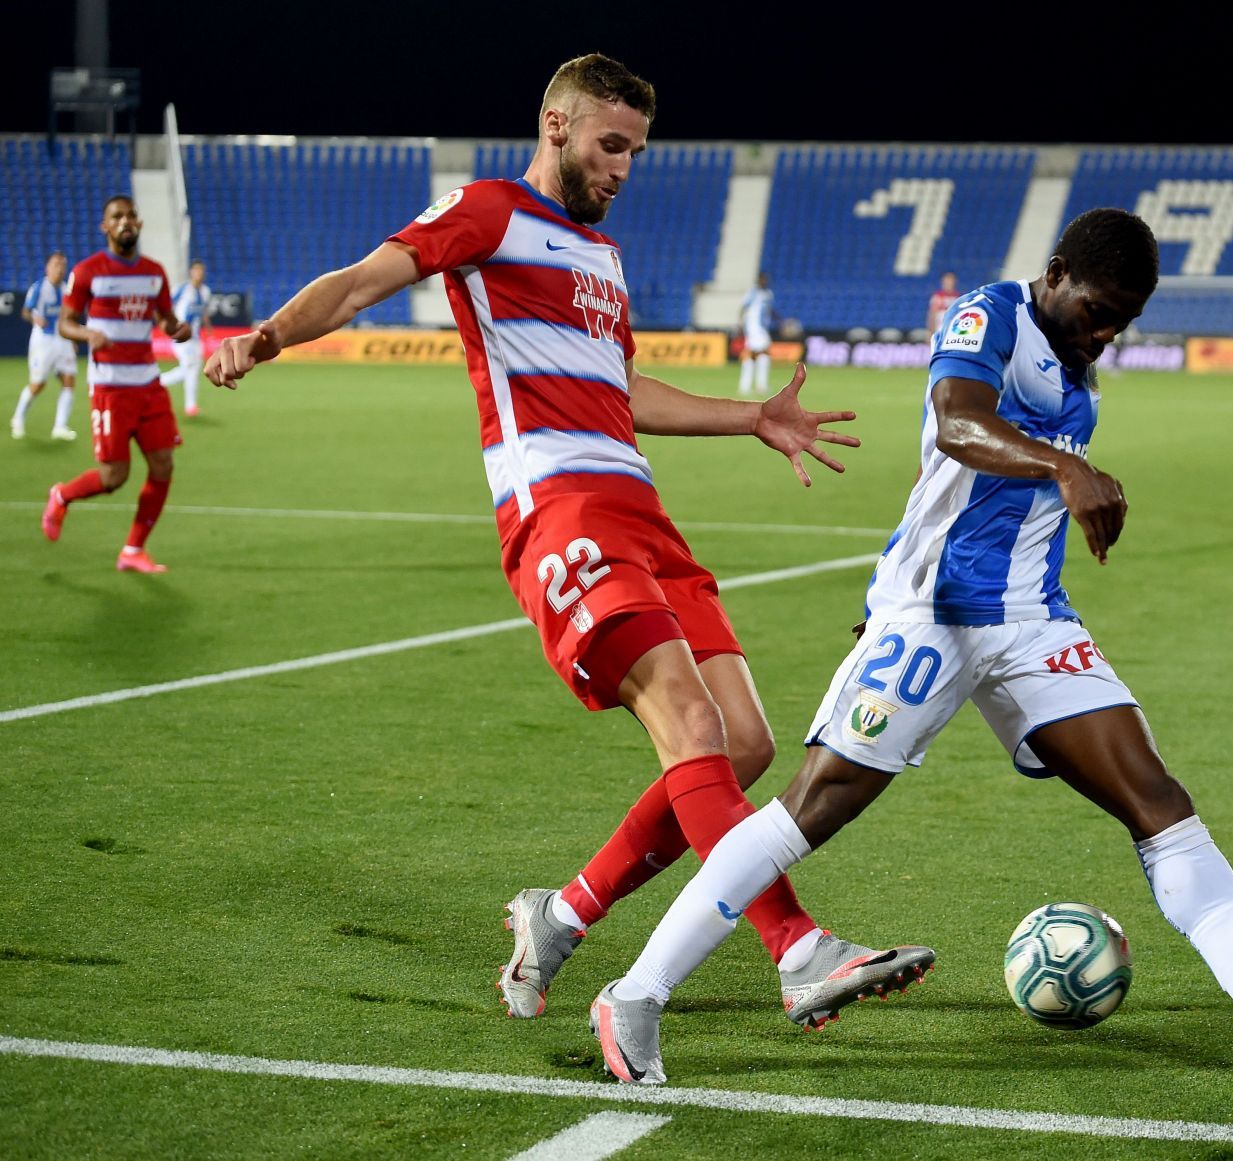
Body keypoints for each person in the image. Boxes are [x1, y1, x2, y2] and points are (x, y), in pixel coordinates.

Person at [587, 208, 1233, 1087]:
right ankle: (635, 994)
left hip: (1030, 618)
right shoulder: (991, 315)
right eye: (1096, 308)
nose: (1106, 331)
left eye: (1123, 319)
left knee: (1156, 797)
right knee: (814, 806)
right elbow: (954, 422)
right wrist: (1062, 468)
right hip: (933, 613)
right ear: (1055, 274)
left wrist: (1052, 475)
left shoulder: (1077, 358)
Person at [203, 54, 931, 1028]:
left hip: (641, 510)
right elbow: (365, 280)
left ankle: (563, 913)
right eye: (611, 144)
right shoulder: (490, 213)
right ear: (557, 126)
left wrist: (752, 415)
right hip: (560, 510)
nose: (624, 167)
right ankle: (797, 949)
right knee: (693, 725)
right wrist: (267, 337)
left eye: (635, 149)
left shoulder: (600, 258)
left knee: (745, 741)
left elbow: (623, 393)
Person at [40, 198, 192, 573]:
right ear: (104, 227)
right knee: (114, 477)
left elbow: (166, 320)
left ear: (138, 224)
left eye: (130, 216)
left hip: (148, 382)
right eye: (116, 217)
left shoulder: (154, 273)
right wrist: (87, 333)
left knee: (163, 465)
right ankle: (62, 495)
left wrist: (178, 330)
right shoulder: (88, 271)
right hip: (110, 386)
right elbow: (65, 323)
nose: (125, 222)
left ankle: (132, 550)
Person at [13, 251, 80, 441]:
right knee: (38, 384)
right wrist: (35, 318)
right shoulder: (38, 288)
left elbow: (69, 317)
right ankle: (18, 418)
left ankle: (60, 426)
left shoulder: (67, 289)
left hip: (63, 339)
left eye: (63, 265)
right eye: (56, 264)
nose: (60, 268)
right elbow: (25, 311)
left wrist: (73, 339)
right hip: (43, 341)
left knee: (69, 380)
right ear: (48, 268)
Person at [160, 259, 212, 416]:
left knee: (193, 370)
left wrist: (208, 326)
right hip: (181, 336)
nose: (199, 273)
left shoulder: (205, 291)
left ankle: (191, 406)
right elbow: (166, 306)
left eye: (201, 270)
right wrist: (169, 325)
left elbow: (203, 311)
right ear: (191, 272)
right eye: (196, 270)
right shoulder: (182, 289)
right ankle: (156, 382)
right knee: (189, 368)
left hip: (195, 338)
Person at [738, 272, 777, 395]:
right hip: (754, 328)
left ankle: (756, 385)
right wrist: (740, 324)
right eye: (762, 279)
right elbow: (743, 308)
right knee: (758, 354)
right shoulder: (752, 293)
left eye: (766, 279)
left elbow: (769, 311)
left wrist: (780, 321)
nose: (764, 281)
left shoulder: (768, 294)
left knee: (760, 356)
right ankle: (748, 386)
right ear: (758, 279)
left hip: (763, 329)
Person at [925, 270, 959, 335]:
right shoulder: (937, 297)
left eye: (950, 280)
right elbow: (932, 315)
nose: (948, 282)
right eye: (946, 280)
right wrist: (931, 332)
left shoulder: (957, 297)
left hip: (953, 331)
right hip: (940, 330)